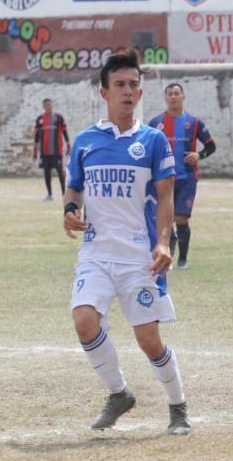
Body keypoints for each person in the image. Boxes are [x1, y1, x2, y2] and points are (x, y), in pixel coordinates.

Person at [63, 53, 190, 436]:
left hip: (139, 257)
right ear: (104, 92)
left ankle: (178, 407)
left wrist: (164, 243)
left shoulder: (153, 141)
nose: (128, 91)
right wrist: (69, 209)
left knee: (149, 341)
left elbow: (166, 197)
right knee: (84, 321)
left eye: (134, 85)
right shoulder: (85, 142)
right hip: (96, 253)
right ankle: (119, 394)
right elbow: (75, 187)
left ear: (141, 92)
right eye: (119, 85)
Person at [148, 83, 215, 270]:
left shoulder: (194, 122)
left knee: (181, 219)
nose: (173, 97)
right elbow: (147, 148)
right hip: (163, 179)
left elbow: (211, 146)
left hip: (187, 178)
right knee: (165, 219)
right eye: (170, 94)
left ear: (183, 97)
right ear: (165, 98)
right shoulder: (155, 123)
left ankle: (183, 259)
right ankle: (167, 254)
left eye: (177, 93)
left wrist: (198, 155)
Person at [33, 98, 70, 201]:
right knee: (46, 173)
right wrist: (35, 150)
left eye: (50, 104)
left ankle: (64, 194)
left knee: (60, 172)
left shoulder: (58, 118)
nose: (48, 107)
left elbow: (64, 131)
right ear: (43, 107)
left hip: (57, 151)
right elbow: (36, 136)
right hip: (44, 152)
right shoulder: (40, 119)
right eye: (46, 105)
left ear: (52, 105)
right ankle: (50, 195)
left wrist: (68, 144)